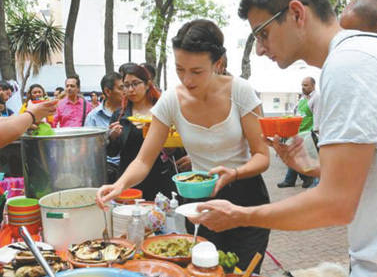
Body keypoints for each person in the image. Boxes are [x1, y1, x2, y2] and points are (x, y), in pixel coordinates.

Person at [190, 0, 377, 276]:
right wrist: (311, 167)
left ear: (297, 13)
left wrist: (241, 215)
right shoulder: (369, 54)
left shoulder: (350, 64)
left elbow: (336, 204)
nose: (260, 49)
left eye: (263, 33)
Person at [96, 20, 271, 272]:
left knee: (241, 271)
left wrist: (234, 173)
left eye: (196, 71)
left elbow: (262, 156)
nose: (187, 80)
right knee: (200, 270)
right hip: (199, 201)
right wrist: (119, 185)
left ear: (218, 63)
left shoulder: (241, 92)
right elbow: (144, 160)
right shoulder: (171, 100)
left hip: (246, 196)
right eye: (180, 69)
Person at [106, 63, 182, 198]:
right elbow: (112, 152)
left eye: (135, 83)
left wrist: (170, 147)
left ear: (147, 84)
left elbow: (178, 149)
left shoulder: (162, 111)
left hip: (160, 179)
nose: (131, 89)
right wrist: (112, 137)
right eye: (126, 85)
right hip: (130, 179)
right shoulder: (120, 115)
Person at [277, 77, 318, 188]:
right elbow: (296, 113)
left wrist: (315, 133)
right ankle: (292, 180)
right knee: (293, 154)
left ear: (313, 85)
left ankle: (306, 179)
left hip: (308, 133)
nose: (303, 87)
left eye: (306, 85)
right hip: (299, 132)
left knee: (302, 157)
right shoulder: (302, 99)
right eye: (302, 85)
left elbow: (317, 116)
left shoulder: (316, 97)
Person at [85, 72, 124, 183]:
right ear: (107, 91)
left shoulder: (130, 113)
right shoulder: (93, 117)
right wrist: (109, 137)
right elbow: (89, 149)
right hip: (105, 170)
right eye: (121, 88)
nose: (125, 91)